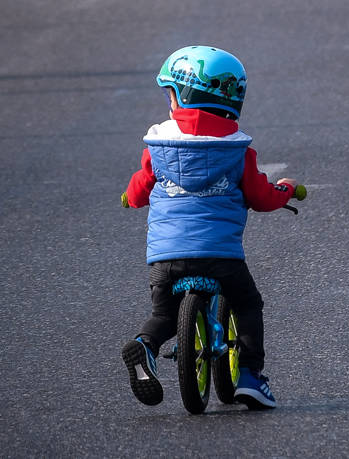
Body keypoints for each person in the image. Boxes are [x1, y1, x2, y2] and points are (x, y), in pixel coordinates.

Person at [120, 45, 298, 410]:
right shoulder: (237, 152)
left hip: (166, 258)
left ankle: (144, 345)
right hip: (221, 257)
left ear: (184, 96)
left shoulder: (158, 148)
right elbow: (261, 197)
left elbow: (138, 191)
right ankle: (250, 377)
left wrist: (128, 197)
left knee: (164, 316)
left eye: (170, 94)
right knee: (248, 304)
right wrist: (287, 191)